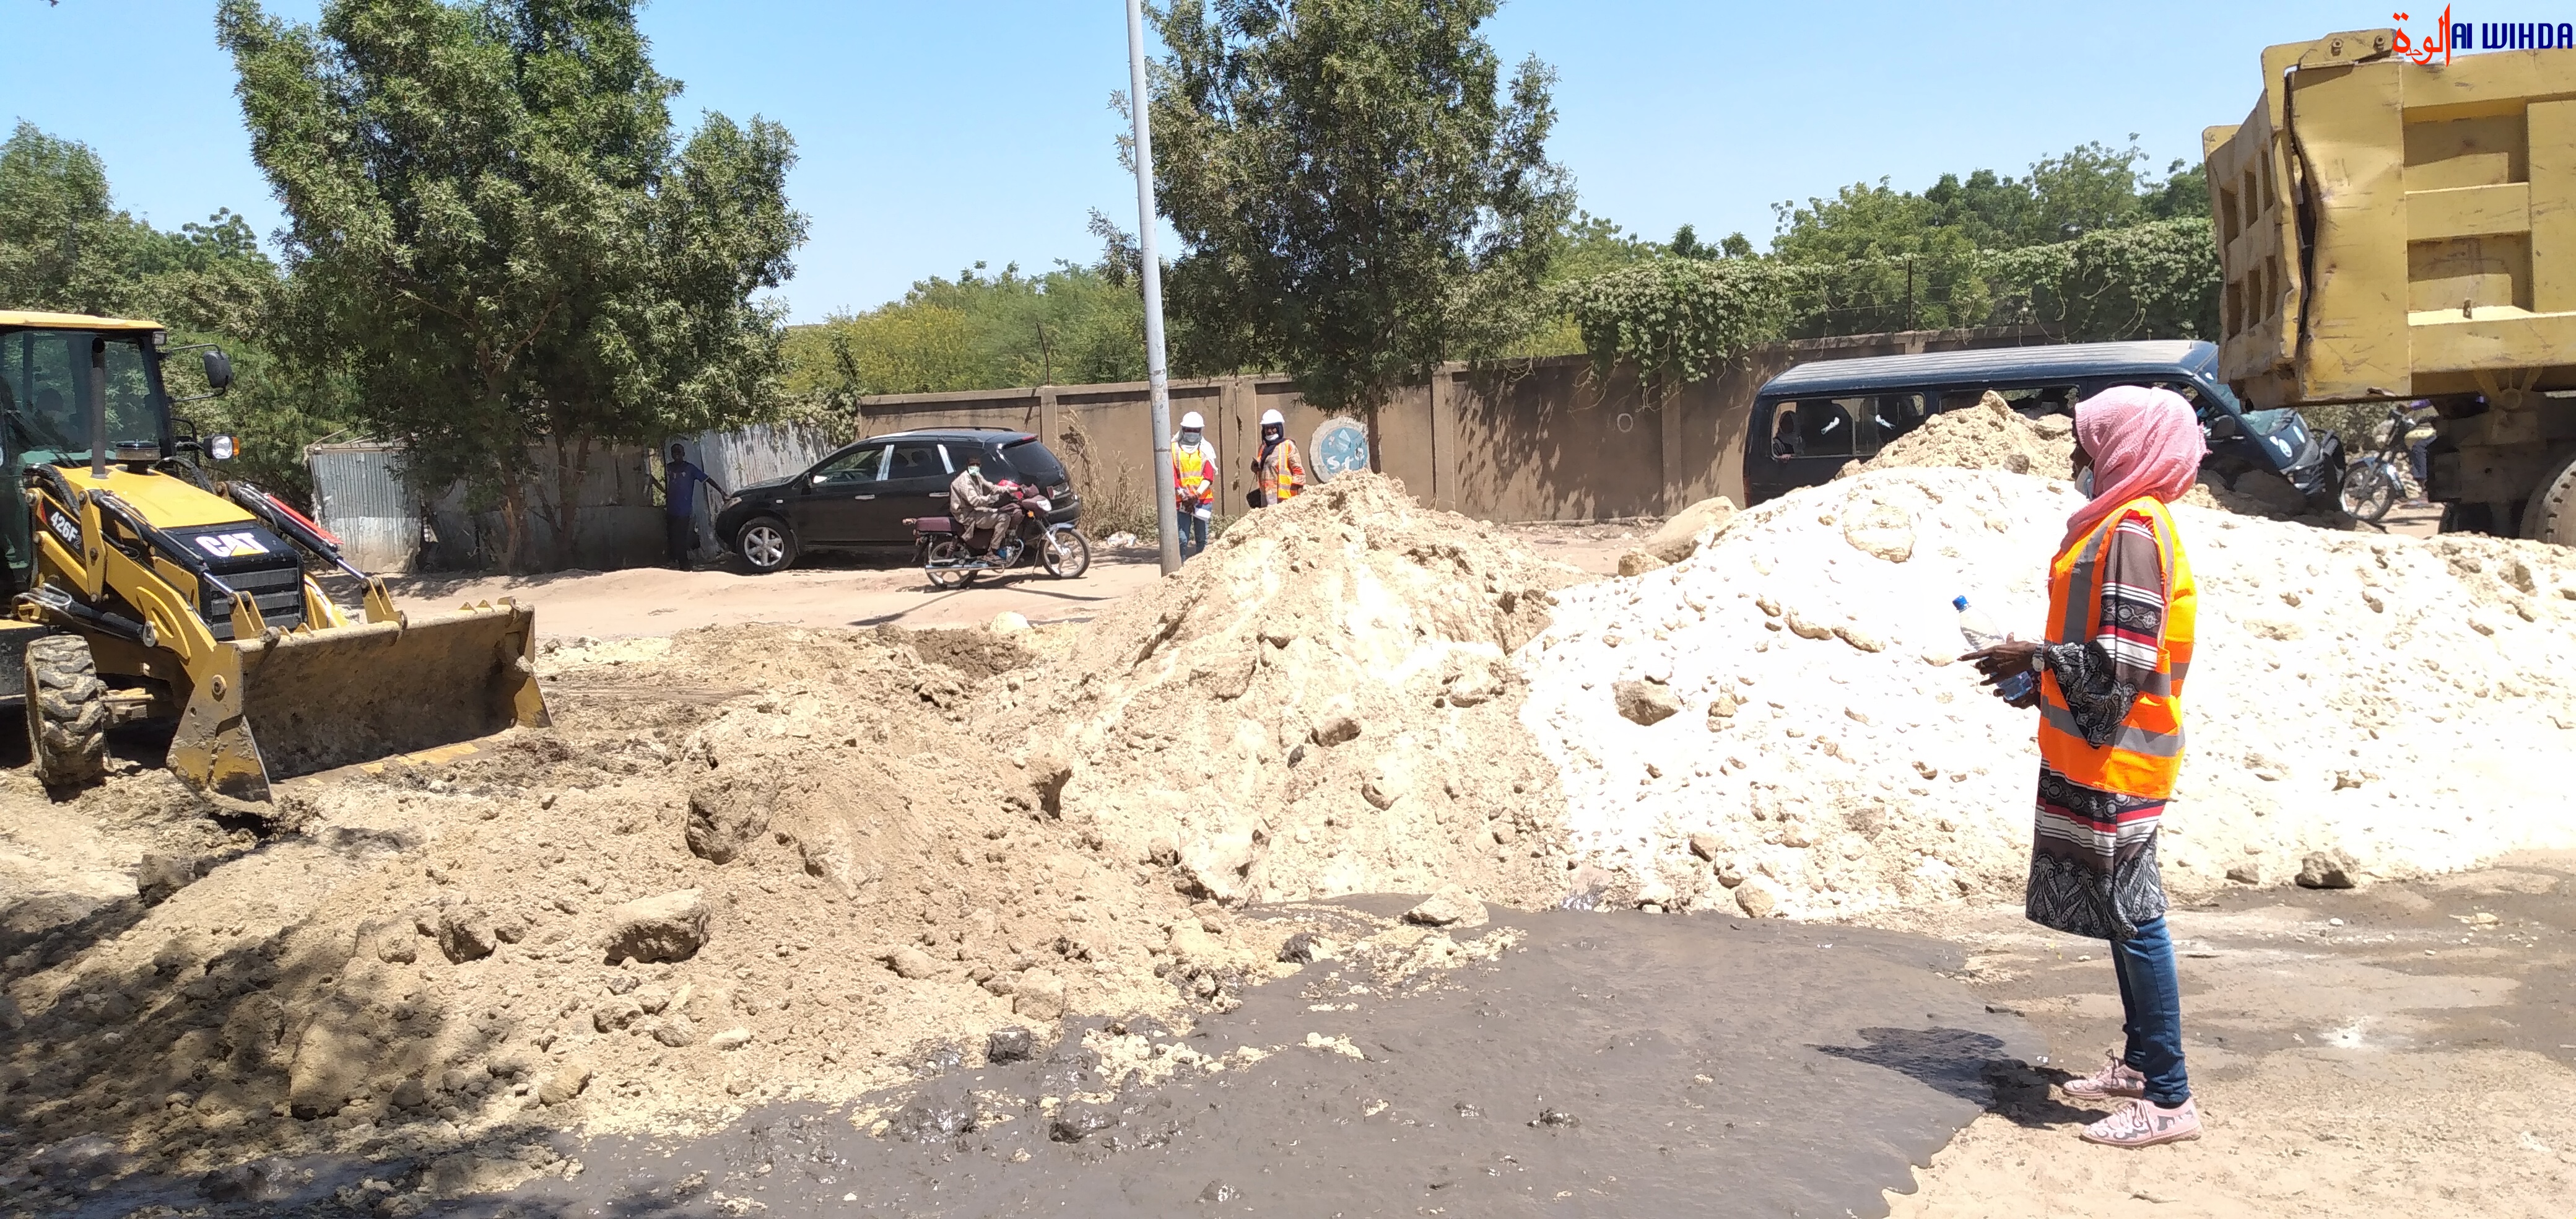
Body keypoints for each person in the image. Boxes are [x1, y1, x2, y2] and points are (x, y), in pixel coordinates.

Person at [1964, 384, 2205, 1150]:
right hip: (2095, 750)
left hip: (2121, 759)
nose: (2076, 457)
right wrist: (2036, 679)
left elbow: (2124, 661)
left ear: (2125, 446)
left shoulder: (2133, 530)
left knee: (2135, 922)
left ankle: (2167, 1099)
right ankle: (2139, 1068)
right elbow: (2098, 653)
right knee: (2122, 918)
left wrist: (2032, 656)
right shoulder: (2116, 526)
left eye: (2089, 443)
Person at [652, 442, 723, 570]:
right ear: (672, 455)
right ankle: (679, 563)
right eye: (674, 453)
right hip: (671, 509)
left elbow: (707, 480)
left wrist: (722, 492)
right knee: (673, 537)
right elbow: (665, 484)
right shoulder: (669, 468)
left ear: (684, 454)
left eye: (679, 452)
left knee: (681, 538)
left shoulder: (690, 469)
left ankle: (685, 564)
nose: (677, 455)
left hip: (684, 511)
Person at [1172, 410, 1217, 559]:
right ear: (1183, 430)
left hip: (1203, 501)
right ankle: (1181, 569)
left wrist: (1196, 495)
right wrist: (1183, 494)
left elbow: (1209, 476)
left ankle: (1201, 570)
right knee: (1182, 539)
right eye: (1189, 430)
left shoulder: (1206, 449)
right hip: (1182, 501)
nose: (1192, 433)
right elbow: (1171, 475)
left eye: (1195, 430)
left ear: (1200, 431)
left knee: (1202, 540)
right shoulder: (1173, 449)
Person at [949, 449, 1012, 557]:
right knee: (1004, 518)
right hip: (967, 515)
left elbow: (992, 487)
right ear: (967, 465)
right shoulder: (965, 480)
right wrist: (993, 498)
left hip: (974, 510)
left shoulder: (977, 476)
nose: (975, 466)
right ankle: (993, 550)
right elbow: (975, 500)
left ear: (981, 465)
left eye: (977, 464)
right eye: (972, 464)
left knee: (1002, 511)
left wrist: (1013, 489)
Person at [1251, 409, 1305, 507]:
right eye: (1267, 428)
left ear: (1279, 428)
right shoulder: (1263, 447)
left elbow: (1299, 473)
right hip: (1266, 499)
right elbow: (1262, 466)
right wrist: (1255, 467)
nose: (1270, 431)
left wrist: (1298, 500)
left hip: (1284, 499)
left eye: (1273, 428)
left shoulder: (1288, 445)